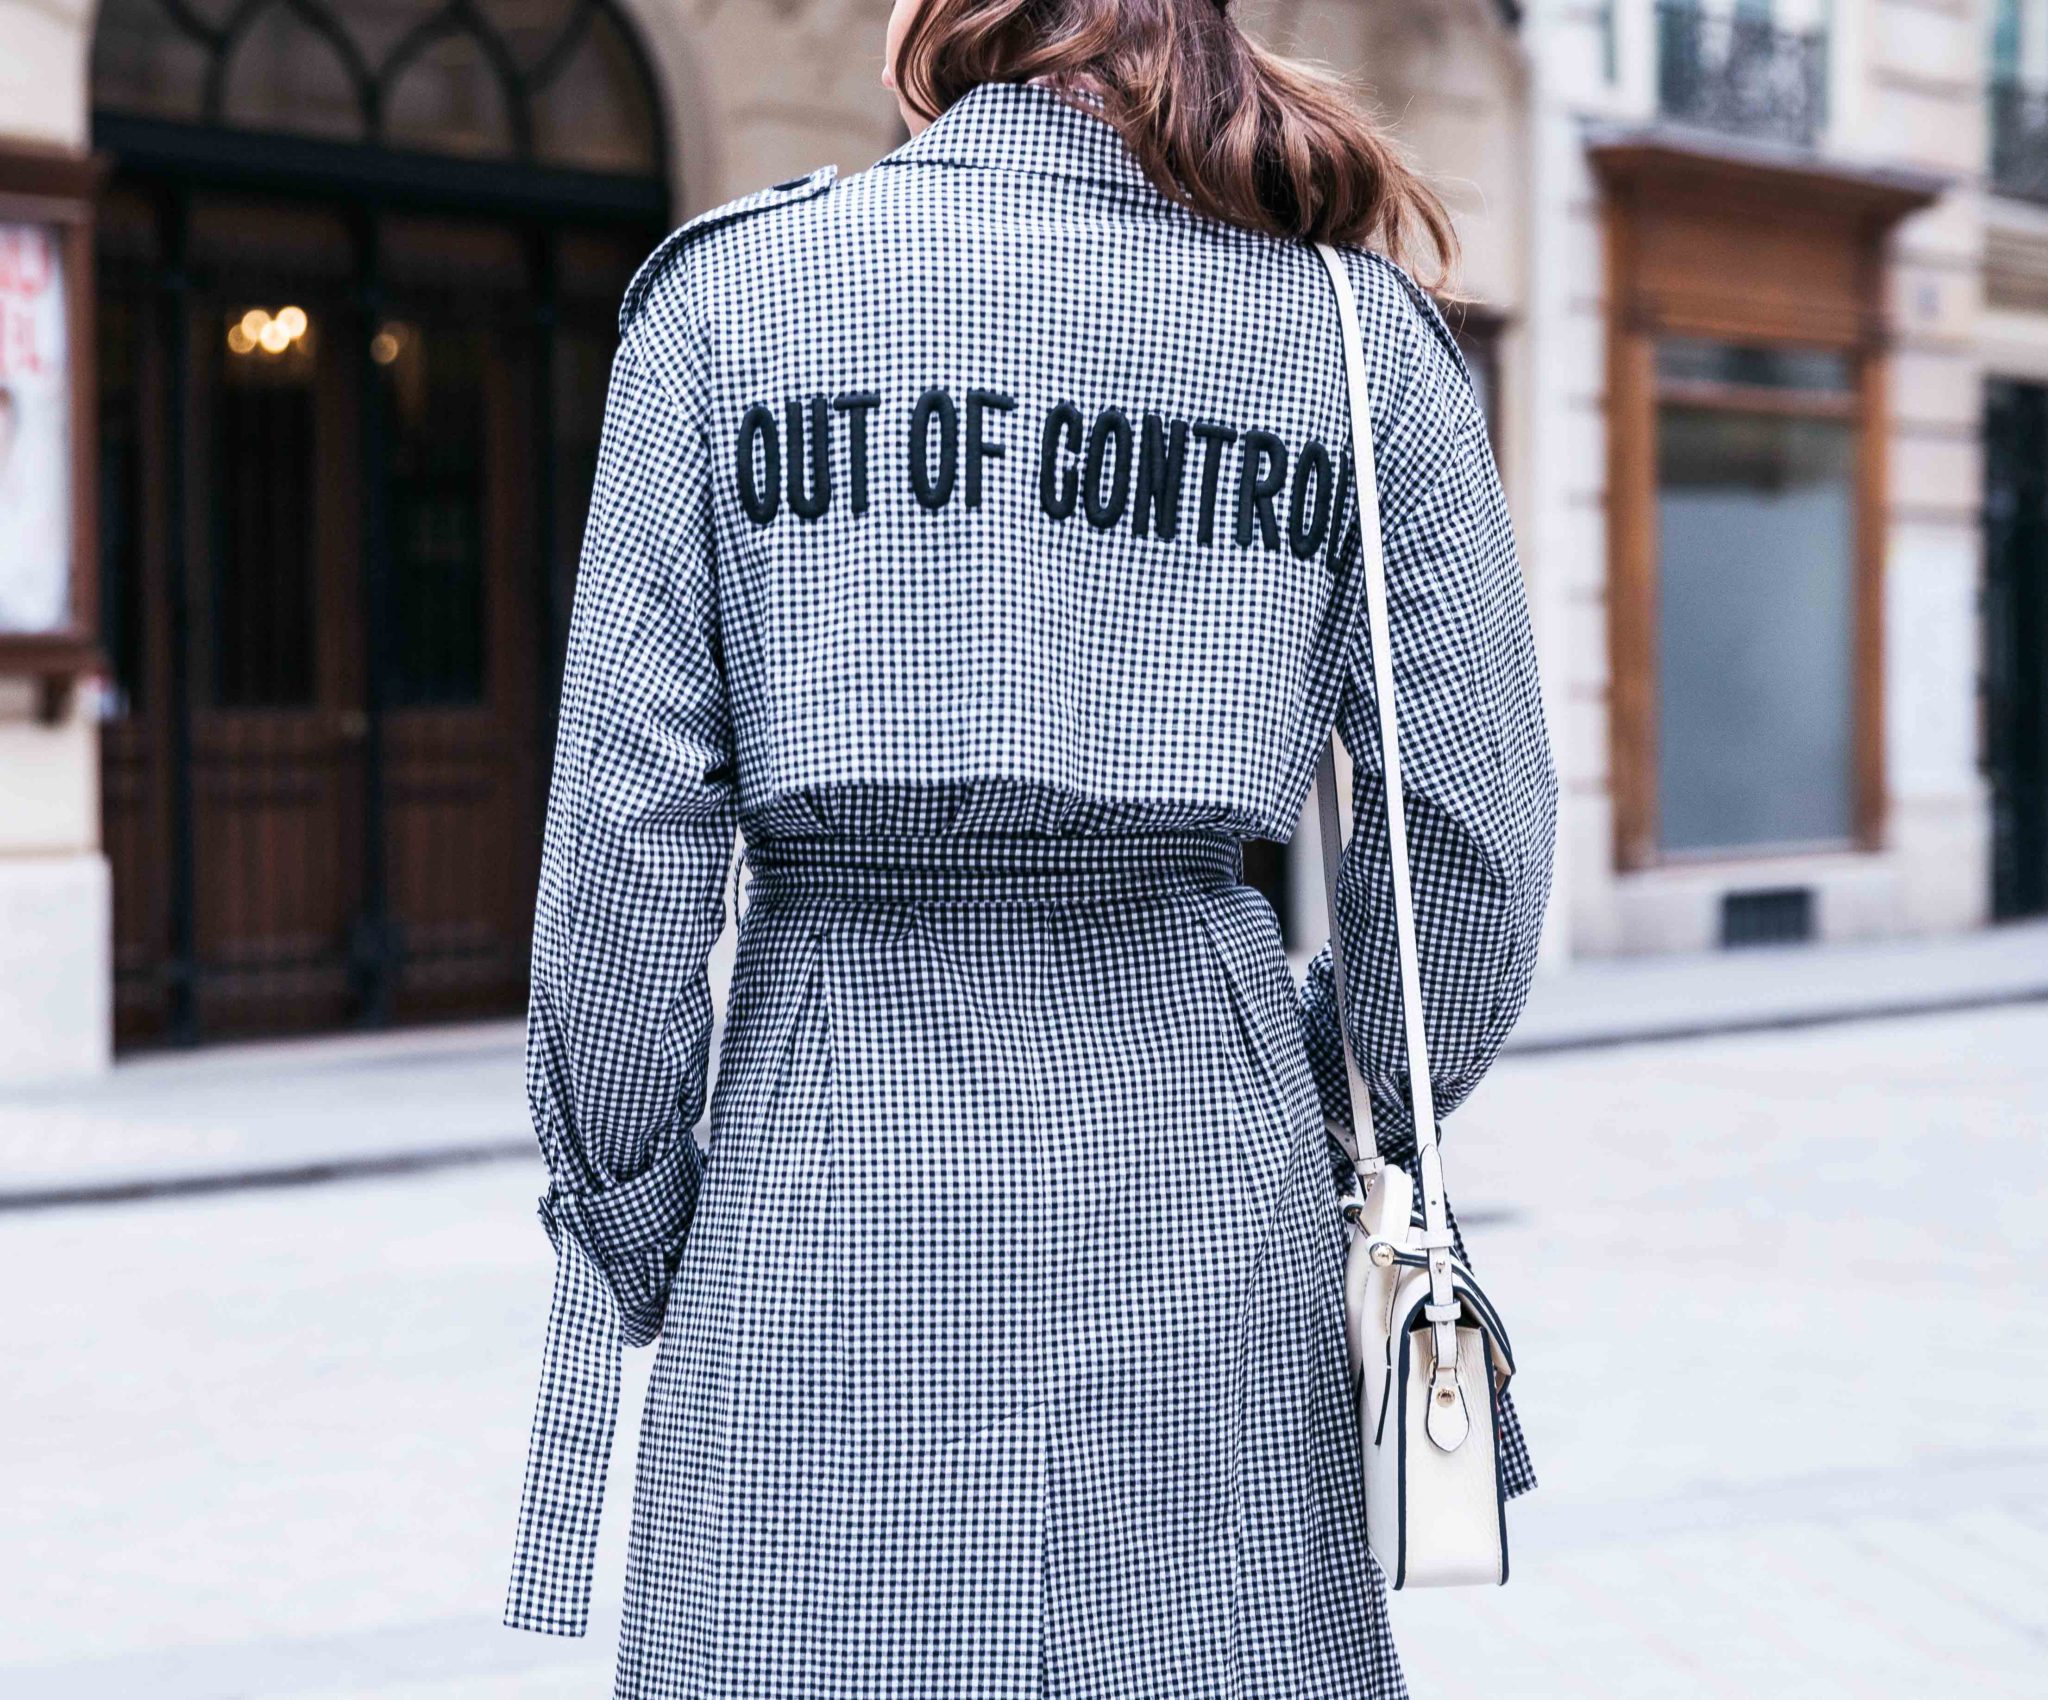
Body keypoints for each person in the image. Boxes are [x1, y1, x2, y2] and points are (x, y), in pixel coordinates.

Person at [503, 0, 1556, 1691]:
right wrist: (1320, 1085)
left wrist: (632, 1220)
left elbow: (627, 840)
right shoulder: (1356, 342)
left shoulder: (728, 305)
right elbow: (1472, 853)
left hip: (819, 1175)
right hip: (1210, 1182)